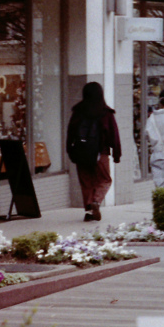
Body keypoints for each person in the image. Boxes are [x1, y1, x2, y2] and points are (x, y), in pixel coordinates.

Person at [66, 82, 121, 222]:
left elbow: (70, 133)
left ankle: (89, 212)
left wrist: (70, 152)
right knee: (104, 179)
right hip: (100, 153)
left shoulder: (77, 112)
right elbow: (114, 135)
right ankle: (96, 202)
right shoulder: (106, 113)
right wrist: (116, 154)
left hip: (81, 153)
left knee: (86, 183)